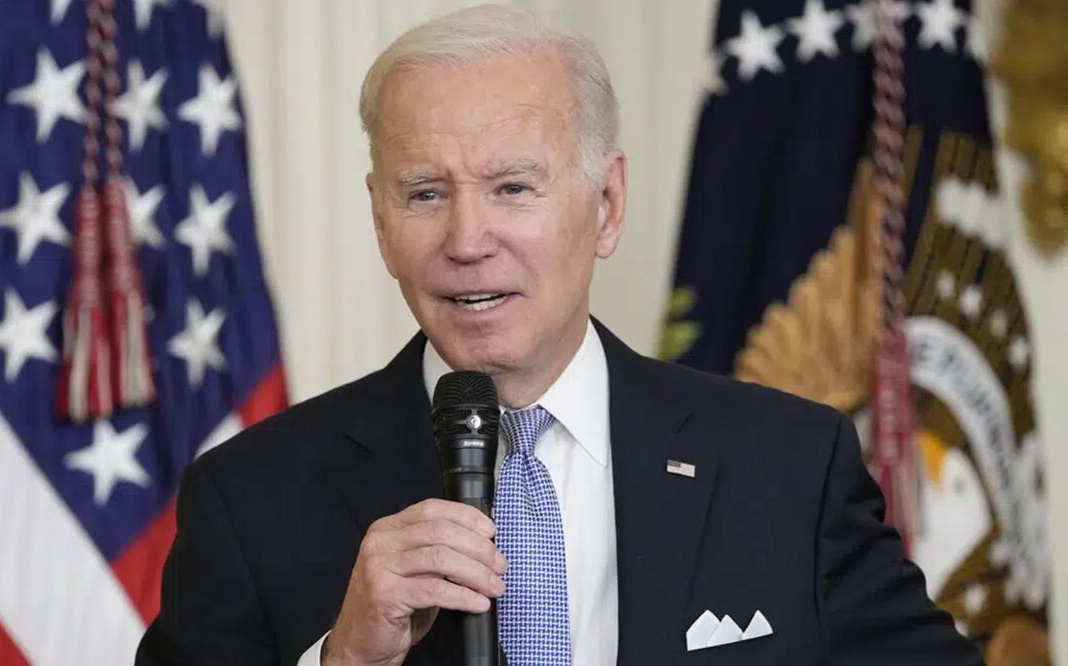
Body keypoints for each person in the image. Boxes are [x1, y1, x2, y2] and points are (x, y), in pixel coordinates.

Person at [136, 5, 984, 666]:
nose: (467, 240)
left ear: (607, 205)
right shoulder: (249, 498)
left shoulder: (789, 468)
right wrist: (346, 657)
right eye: (425, 193)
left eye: (512, 187)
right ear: (380, 220)